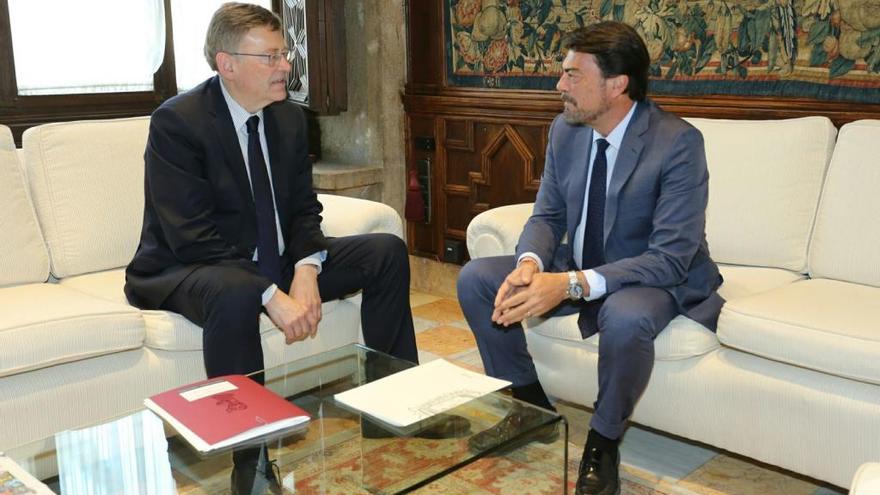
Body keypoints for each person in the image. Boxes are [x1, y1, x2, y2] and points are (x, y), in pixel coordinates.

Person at [124, 3, 464, 494]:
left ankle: (395, 407)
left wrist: (306, 270)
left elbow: (305, 209)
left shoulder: (288, 120)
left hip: (272, 261)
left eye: (285, 54)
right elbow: (190, 235)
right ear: (227, 64)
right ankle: (252, 458)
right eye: (271, 57)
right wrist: (270, 293)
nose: (286, 66)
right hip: (190, 267)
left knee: (386, 250)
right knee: (236, 291)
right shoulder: (178, 123)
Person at [457, 21, 724, 495]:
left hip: (652, 278)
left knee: (624, 315)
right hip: (580, 264)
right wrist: (530, 266)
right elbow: (548, 214)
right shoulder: (567, 130)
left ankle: (603, 442)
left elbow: (670, 258)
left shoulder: (677, 143)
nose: (560, 85)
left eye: (573, 75)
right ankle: (528, 409)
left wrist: (571, 283)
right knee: (477, 278)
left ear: (617, 85)